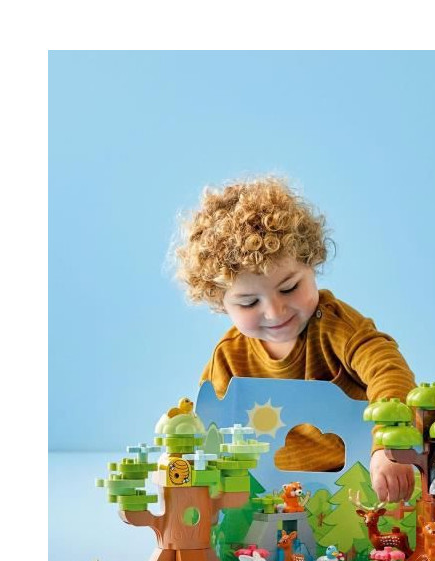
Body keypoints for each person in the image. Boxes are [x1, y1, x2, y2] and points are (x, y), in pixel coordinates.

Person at [174, 176, 416, 502]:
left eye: (289, 288)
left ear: (311, 263)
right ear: (220, 304)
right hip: (269, 494)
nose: (275, 312)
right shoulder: (229, 356)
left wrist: (389, 446)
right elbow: (209, 426)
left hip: (361, 487)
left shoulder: (338, 329)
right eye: (249, 303)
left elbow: (389, 371)